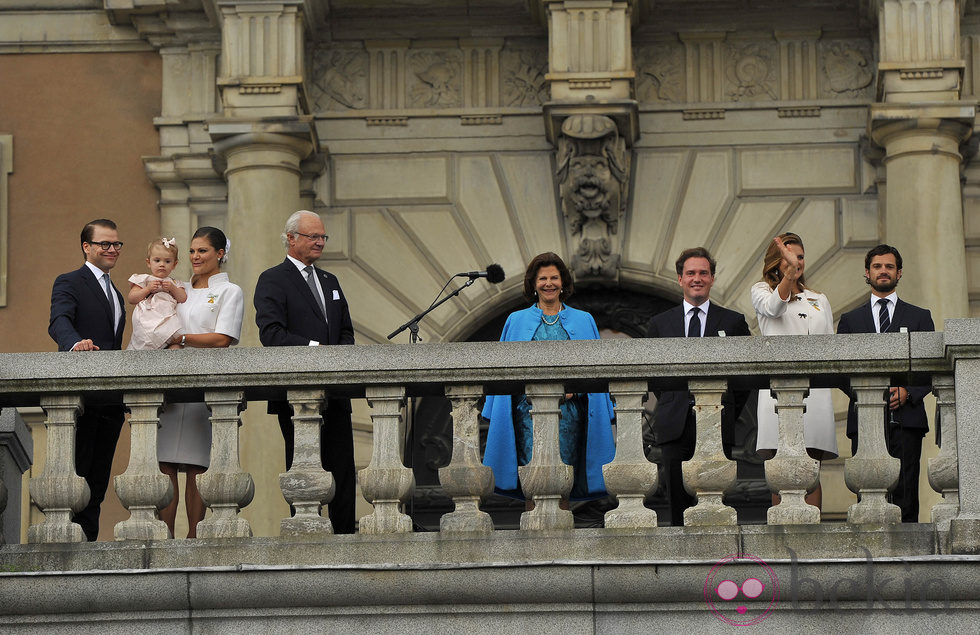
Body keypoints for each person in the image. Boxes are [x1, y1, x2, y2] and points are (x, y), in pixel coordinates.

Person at [482, 252, 616, 503]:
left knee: (565, 473)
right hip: (527, 414)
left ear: (563, 282)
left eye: (554, 277)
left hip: (569, 414)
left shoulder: (584, 320)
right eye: (543, 278)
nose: (549, 283)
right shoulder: (516, 320)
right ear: (533, 283)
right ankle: (534, 532)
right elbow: (505, 370)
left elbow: (595, 370)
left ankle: (562, 534)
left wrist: (573, 392)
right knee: (532, 476)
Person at [254, 210, 357, 534]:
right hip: (298, 395)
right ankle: (307, 531)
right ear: (291, 238)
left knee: (343, 468)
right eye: (313, 236)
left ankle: (343, 537)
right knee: (304, 467)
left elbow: (346, 332)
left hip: (336, 393)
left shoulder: (330, 281)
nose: (320, 242)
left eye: (322, 237)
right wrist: (316, 350)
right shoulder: (273, 279)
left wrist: (336, 358)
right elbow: (271, 333)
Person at [645, 247, 750, 526]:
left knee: (716, 507)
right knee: (677, 505)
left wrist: (729, 409)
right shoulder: (660, 324)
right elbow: (654, 377)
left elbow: (745, 376)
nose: (697, 278)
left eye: (703, 273)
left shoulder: (733, 322)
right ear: (680, 279)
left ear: (712, 278)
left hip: (717, 423)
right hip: (674, 426)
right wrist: (673, 401)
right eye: (690, 273)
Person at [157, 227, 243, 539]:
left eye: (203, 251)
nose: (195, 257)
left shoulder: (229, 291)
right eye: (192, 251)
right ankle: (165, 535)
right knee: (164, 464)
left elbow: (223, 338)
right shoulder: (176, 287)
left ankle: (194, 535)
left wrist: (181, 337)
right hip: (169, 385)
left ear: (220, 253)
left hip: (203, 386)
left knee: (197, 467)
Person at [837, 244, 934, 522]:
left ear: (899, 273)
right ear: (867, 273)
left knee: (906, 488)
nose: (883, 271)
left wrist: (908, 392)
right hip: (865, 416)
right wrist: (870, 393)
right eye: (877, 266)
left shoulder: (919, 317)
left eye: (889, 266)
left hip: (908, 417)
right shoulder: (850, 320)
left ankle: (908, 556)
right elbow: (841, 371)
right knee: (867, 490)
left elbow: (929, 368)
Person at [48, 219, 127, 541]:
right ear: (87, 247)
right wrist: (74, 343)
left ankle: (89, 543)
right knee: (76, 474)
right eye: (104, 244)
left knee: (97, 482)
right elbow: (59, 321)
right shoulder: (69, 281)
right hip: (80, 396)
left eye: (117, 244)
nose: (112, 250)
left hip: (109, 401)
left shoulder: (118, 293)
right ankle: (70, 542)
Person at [752, 233, 837, 509]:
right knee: (782, 466)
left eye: (800, 257)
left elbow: (829, 343)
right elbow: (774, 309)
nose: (796, 262)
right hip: (778, 392)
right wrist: (787, 278)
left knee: (811, 466)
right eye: (789, 257)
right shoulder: (761, 291)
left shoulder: (818, 298)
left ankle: (813, 536)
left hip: (815, 392)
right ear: (776, 262)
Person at [126, 237, 186, 350]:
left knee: (176, 345)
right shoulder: (143, 279)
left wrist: (173, 288)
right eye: (157, 260)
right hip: (147, 321)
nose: (162, 264)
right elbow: (132, 298)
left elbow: (182, 298)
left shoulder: (174, 282)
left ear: (174, 264)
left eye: (167, 261)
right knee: (145, 342)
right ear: (149, 262)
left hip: (167, 322)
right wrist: (147, 289)